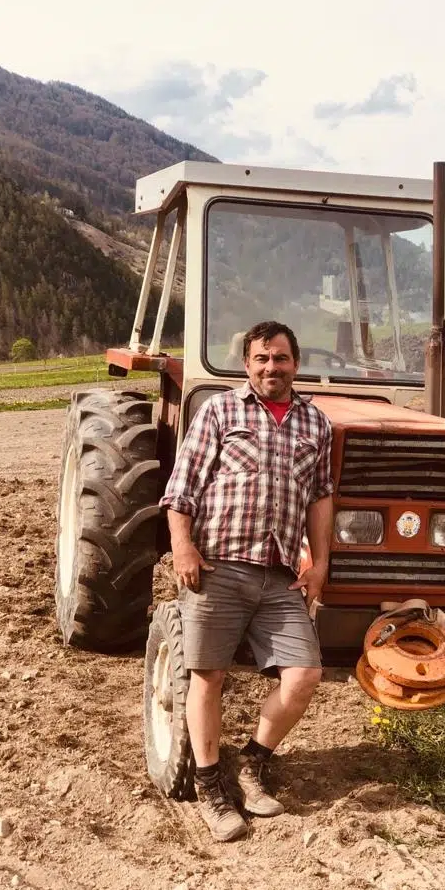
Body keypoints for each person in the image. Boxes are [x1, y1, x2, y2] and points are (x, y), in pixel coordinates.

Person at [159, 320, 334, 842]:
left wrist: (319, 562)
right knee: (208, 676)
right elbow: (182, 484)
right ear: (247, 364)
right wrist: (182, 546)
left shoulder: (315, 424)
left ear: (295, 363)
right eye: (261, 358)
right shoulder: (220, 411)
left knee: (304, 674)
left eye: (279, 358)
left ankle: (252, 763)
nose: (270, 367)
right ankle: (210, 788)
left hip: (280, 574)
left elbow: (321, 497)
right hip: (220, 566)